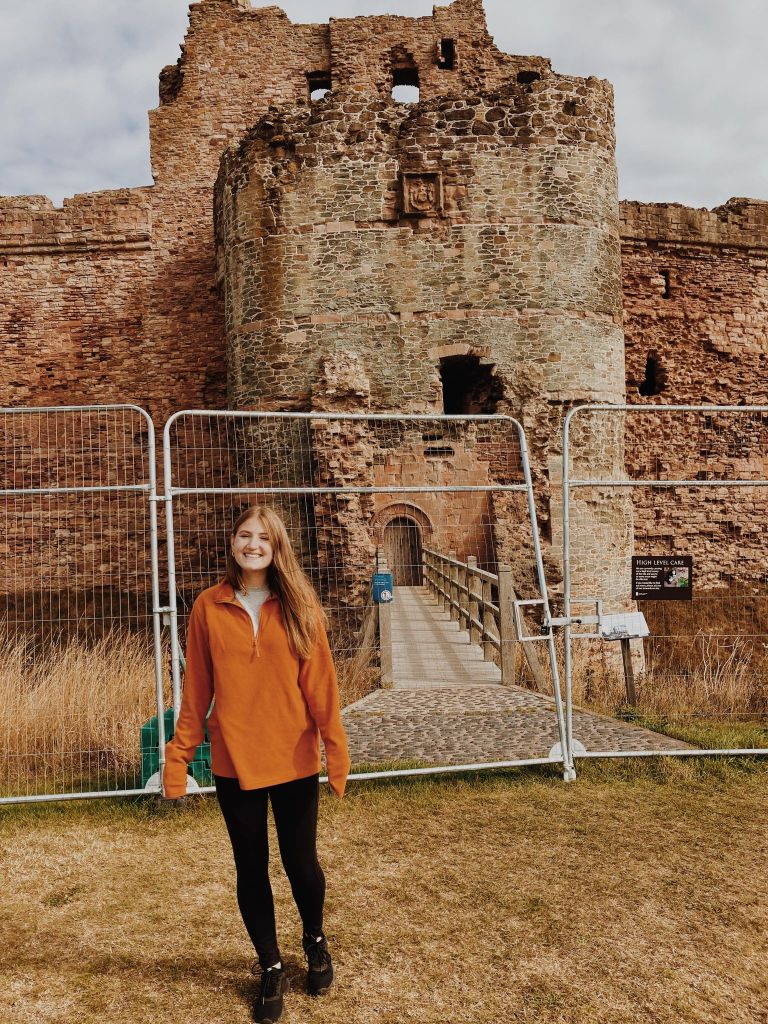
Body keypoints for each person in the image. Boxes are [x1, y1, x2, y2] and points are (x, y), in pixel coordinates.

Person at [162, 504, 351, 1023]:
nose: (252, 545)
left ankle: (314, 940)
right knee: (251, 867)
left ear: (276, 547)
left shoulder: (300, 606)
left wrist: (335, 749)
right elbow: (197, 689)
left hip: (293, 756)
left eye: (262, 538)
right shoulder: (208, 606)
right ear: (232, 542)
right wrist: (178, 759)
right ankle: (270, 966)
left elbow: (322, 687)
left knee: (302, 864)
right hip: (232, 760)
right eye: (244, 535)